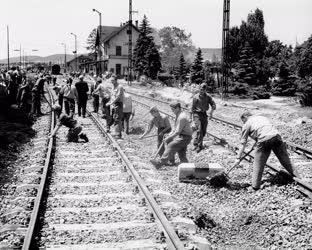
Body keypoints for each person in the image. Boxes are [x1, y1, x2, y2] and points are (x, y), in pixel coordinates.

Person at [236, 111, 300, 190]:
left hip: (263, 141)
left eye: (243, 121)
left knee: (258, 163)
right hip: (276, 137)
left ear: (244, 117)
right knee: (285, 160)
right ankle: (299, 179)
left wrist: (238, 158)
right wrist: (256, 142)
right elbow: (266, 130)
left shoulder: (247, 124)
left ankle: (255, 186)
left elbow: (243, 143)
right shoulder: (262, 117)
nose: (243, 122)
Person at [150, 101, 192, 168]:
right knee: (182, 153)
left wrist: (168, 138)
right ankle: (187, 167)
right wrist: (169, 134)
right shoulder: (178, 115)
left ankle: (159, 163)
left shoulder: (182, 117)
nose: (172, 111)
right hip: (182, 136)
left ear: (177, 108)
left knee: (171, 145)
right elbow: (174, 129)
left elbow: (177, 132)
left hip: (185, 137)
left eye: (173, 109)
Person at [190, 83, 216, 153]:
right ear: (199, 89)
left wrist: (211, 112)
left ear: (205, 90)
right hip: (196, 114)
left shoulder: (208, 96)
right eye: (200, 89)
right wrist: (190, 117)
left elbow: (213, 104)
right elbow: (192, 107)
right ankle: (199, 146)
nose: (201, 91)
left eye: (203, 90)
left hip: (204, 114)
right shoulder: (195, 97)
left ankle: (195, 143)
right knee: (199, 129)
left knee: (203, 131)